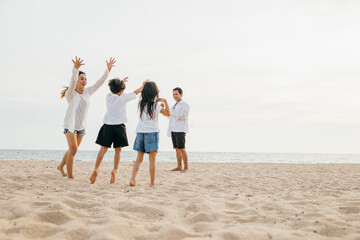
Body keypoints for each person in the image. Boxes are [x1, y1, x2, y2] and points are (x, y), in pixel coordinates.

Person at [57, 56, 116, 178]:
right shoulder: (71, 94)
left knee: (72, 149)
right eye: (82, 78)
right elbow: (72, 82)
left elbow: (99, 83)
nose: (84, 81)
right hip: (70, 126)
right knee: (73, 150)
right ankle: (70, 176)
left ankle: (60, 166)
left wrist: (107, 71)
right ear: (77, 80)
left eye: (85, 79)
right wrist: (75, 69)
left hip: (81, 127)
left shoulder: (87, 92)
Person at [89, 78, 147, 184]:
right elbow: (135, 92)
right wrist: (142, 86)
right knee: (118, 150)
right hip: (119, 127)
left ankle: (96, 168)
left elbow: (116, 90)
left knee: (103, 148)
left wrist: (122, 83)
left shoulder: (108, 97)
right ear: (121, 91)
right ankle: (114, 170)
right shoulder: (123, 98)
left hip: (107, 126)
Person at [129, 81, 170, 187]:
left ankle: (132, 179)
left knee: (139, 159)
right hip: (152, 133)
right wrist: (165, 101)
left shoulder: (141, 104)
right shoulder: (155, 106)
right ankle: (151, 183)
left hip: (140, 133)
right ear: (155, 92)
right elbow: (168, 114)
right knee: (152, 160)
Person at [165, 87, 190, 172]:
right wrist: (164, 110)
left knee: (182, 148)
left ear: (181, 94)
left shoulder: (184, 104)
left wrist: (171, 113)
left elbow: (183, 116)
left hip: (180, 129)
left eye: (176, 94)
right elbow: (169, 116)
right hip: (173, 129)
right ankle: (179, 166)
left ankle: (186, 167)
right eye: (173, 94)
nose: (174, 96)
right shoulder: (174, 105)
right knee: (176, 149)